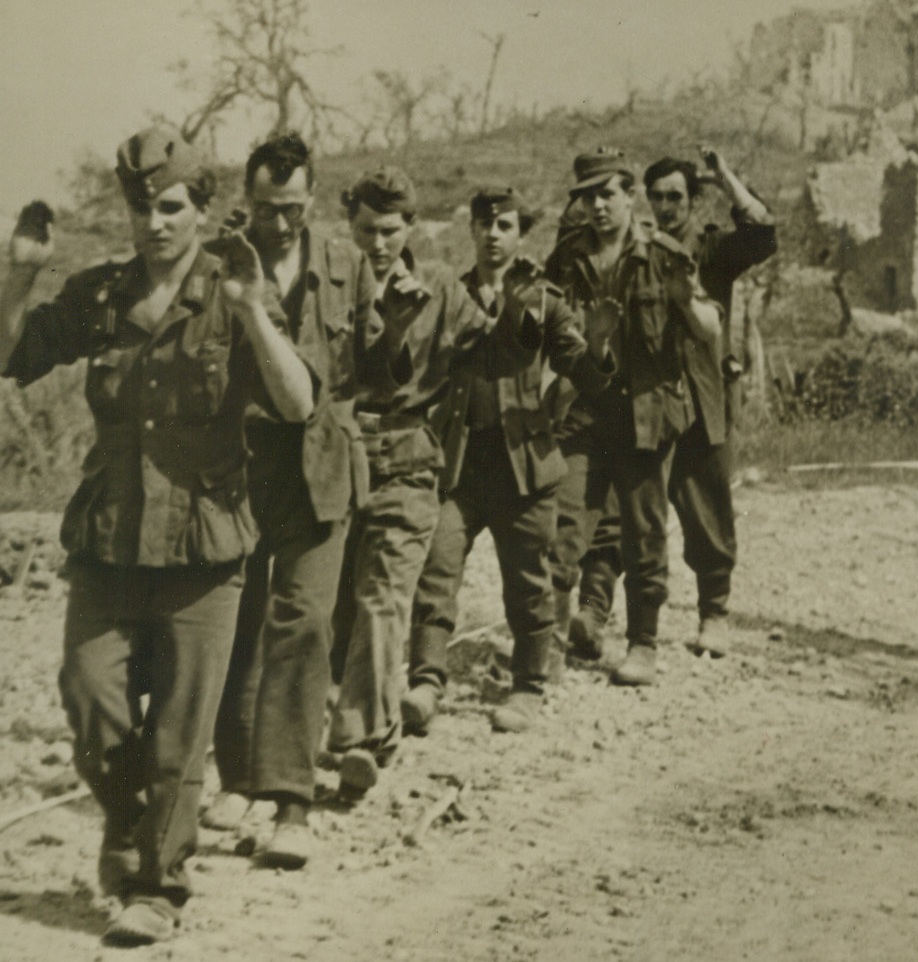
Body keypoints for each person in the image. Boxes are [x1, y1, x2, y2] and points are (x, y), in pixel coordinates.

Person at [0, 126, 314, 945]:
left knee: (179, 733)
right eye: (140, 206)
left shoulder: (234, 286)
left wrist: (251, 314)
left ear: (202, 210)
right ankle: (135, 825)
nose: (154, 222)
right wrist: (21, 274)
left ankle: (158, 889)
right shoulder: (100, 294)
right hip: (108, 541)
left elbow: (296, 402)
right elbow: (9, 356)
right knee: (89, 697)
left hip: (204, 552)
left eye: (171, 206)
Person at [328, 168, 544, 795]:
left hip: (409, 456)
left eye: (390, 231)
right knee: (339, 602)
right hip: (338, 456)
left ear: (411, 228)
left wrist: (522, 316)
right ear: (351, 226)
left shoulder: (443, 290)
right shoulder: (333, 288)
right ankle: (378, 720)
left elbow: (496, 353)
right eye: (366, 230)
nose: (377, 243)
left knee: (384, 594)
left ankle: (360, 739)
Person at [206, 134, 375, 868]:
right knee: (234, 625)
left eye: (294, 209)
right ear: (247, 200)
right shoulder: (213, 265)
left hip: (319, 464)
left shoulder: (346, 264)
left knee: (303, 624)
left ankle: (291, 801)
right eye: (267, 209)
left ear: (313, 198)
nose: (280, 224)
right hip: (236, 467)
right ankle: (236, 776)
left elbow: (369, 358)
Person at [407, 186, 615, 734]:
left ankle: (527, 685)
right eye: (485, 225)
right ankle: (425, 681)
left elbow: (585, 375)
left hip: (524, 463)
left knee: (528, 580)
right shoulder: (448, 296)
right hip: (461, 462)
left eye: (505, 226)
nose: (494, 236)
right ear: (471, 232)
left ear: (521, 234)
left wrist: (597, 348)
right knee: (437, 566)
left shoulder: (545, 299)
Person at [569, 147, 776, 659]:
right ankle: (593, 609)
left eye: (676, 197)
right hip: (642, 398)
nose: (666, 207)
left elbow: (762, 234)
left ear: (692, 200)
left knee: (705, 504)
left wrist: (726, 174)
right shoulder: (634, 251)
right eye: (657, 197)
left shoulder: (711, 252)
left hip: (702, 395)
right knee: (620, 507)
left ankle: (714, 611)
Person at [545, 148, 722, 686]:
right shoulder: (567, 260)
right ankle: (549, 645)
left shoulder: (663, 254)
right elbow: (552, 340)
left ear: (629, 196)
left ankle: (642, 642)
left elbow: (710, 328)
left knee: (644, 532)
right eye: (587, 197)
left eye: (607, 195)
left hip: (647, 412)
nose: (597, 207)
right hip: (586, 412)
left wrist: (686, 302)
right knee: (563, 523)